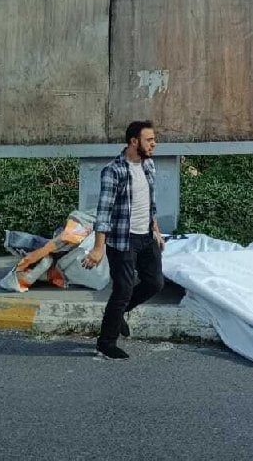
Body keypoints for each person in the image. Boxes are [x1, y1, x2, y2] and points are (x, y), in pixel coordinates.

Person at [82, 120, 166, 360]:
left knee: (155, 283)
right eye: (149, 140)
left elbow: (150, 204)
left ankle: (117, 316)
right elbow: (104, 211)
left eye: (153, 139)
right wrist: (98, 248)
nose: (154, 144)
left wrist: (156, 230)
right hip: (122, 240)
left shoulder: (149, 165)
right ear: (133, 142)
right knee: (123, 289)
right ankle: (105, 343)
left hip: (146, 237)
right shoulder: (114, 170)